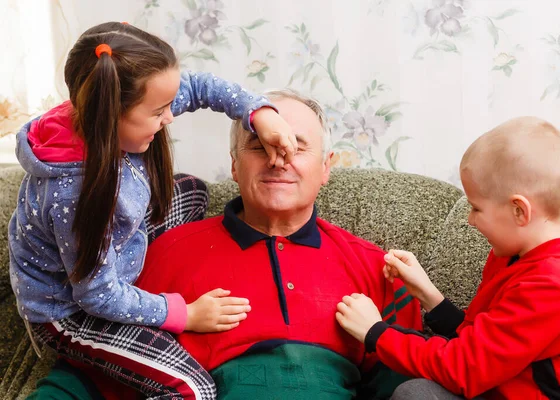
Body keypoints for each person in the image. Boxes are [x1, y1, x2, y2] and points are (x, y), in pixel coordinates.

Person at [60, 89, 421, 400]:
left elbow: (408, 380)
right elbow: (97, 372)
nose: (278, 159)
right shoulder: (165, 254)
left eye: (296, 146)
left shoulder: (378, 267)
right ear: (234, 165)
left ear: (326, 167)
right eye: (258, 145)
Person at [9, 21, 298, 399]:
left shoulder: (112, 105)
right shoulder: (74, 194)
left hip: (110, 254)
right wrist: (184, 314)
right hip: (72, 312)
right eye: (159, 111)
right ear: (110, 114)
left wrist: (259, 113)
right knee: (192, 390)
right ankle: (98, 350)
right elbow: (96, 296)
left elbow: (197, 87)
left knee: (192, 191)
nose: (170, 118)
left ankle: (140, 297)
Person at [335, 116, 560, 399]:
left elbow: (463, 369)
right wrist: (429, 296)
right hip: (503, 382)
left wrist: (375, 333)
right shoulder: (515, 255)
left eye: (476, 208)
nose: (470, 220)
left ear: (519, 211)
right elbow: (482, 344)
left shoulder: (551, 286)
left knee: (417, 394)